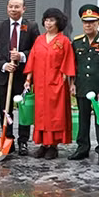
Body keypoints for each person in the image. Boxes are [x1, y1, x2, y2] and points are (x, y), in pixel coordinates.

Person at [0, 0, 41, 156]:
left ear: (23, 9)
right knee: (5, 108)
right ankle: (8, 137)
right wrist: (4, 65)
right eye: (11, 6)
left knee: (24, 109)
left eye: (17, 7)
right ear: (7, 8)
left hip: (23, 76)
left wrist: (22, 56)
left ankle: (23, 141)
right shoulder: (0, 26)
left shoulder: (31, 26)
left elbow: (37, 48)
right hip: (5, 74)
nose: (13, 9)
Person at [24, 8, 76, 159]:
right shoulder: (39, 40)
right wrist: (28, 80)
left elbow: (69, 63)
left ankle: (53, 145)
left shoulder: (64, 41)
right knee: (40, 115)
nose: (48, 23)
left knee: (55, 115)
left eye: (52, 20)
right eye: (46, 20)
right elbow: (32, 61)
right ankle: (43, 144)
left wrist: (71, 83)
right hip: (40, 83)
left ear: (58, 22)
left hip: (57, 83)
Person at [69, 5, 99, 164]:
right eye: (85, 22)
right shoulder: (76, 42)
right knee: (83, 118)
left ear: (98, 23)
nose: (88, 25)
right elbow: (72, 65)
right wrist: (72, 84)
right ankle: (82, 148)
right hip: (82, 84)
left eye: (92, 22)